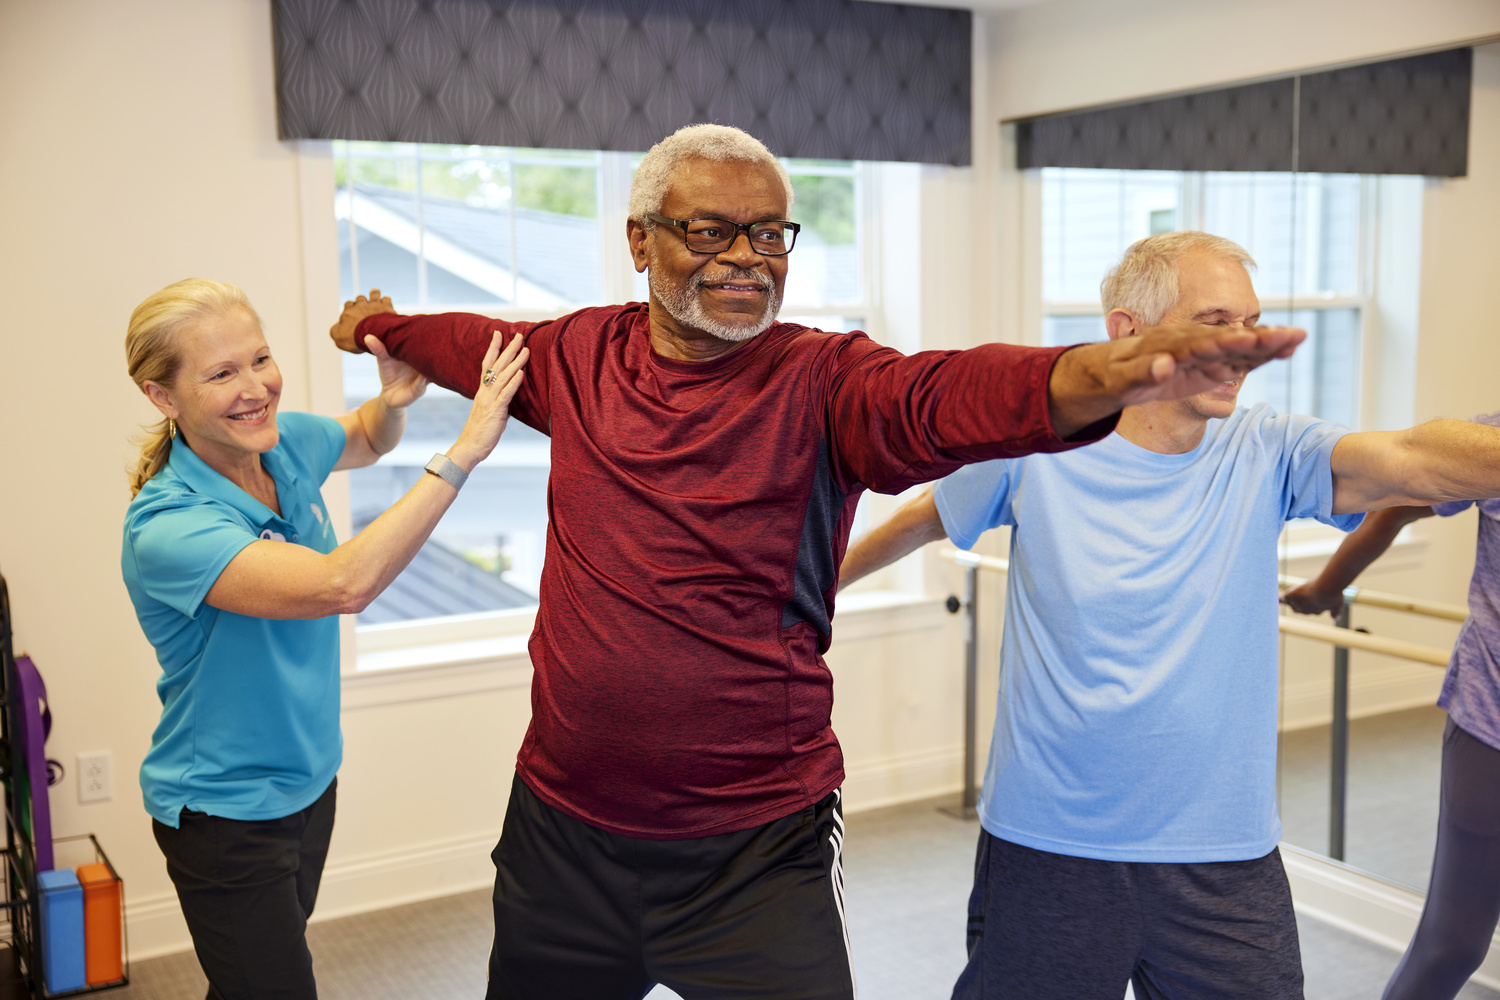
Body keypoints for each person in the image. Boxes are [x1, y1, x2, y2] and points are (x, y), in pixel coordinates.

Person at [329, 125, 1304, 1000]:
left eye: (769, 234)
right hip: (563, 837)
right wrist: (378, 326)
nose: (746, 257)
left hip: (759, 851)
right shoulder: (574, 358)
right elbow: (462, 343)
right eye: (710, 231)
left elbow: (944, 395)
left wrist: (1099, 373)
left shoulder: (824, 381)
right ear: (641, 241)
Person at [839, 231, 1500, 1000]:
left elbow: (1416, 457)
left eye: (1251, 324)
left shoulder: (1269, 449)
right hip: (1051, 845)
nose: (1243, 348)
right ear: (1128, 333)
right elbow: (922, 517)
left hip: (1225, 858)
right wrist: (811, 592)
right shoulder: (1035, 446)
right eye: (1215, 323)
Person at [120, 278, 527, 1000]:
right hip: (225, 811)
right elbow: (343, 585)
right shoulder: (169, 526)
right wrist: (463, 452)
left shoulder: (280, 449)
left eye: (260, 359)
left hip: (309, 783)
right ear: (163, 396)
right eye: (221, 374)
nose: (256, 388)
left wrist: (394, 400)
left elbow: (366, 435)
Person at [1283, 411, 1500, 1000]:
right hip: (1490, 721)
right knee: (1453, 942)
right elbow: (1397, 504)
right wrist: (1328, 585)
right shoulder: (1489, 444)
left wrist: (1327, 587)